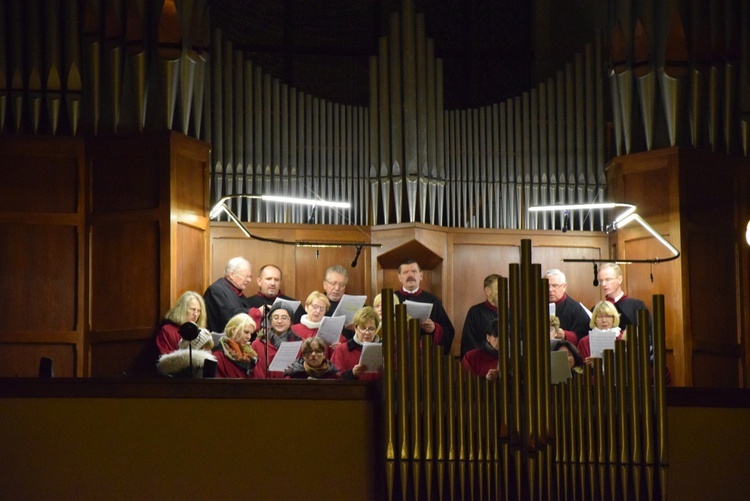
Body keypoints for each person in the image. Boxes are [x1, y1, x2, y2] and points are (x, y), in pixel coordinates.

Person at [394, 258, 455, 354]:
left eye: (414, 271)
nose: (410, 275)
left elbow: (449, 330)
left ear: (421, 275)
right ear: (399, 277)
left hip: (426, 356)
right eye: (405, 272)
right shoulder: (391, 299)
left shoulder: (433, 300)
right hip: (399, 355)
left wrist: (435, 328)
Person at [203, 257, 254, 333]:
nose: (249, 280)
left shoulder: (238, 293)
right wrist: (255, 312)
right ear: (232, 275)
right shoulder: (216, 290)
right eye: (246, 276)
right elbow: (228, 317)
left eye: (250, 277)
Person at [251, 303, 302, 378]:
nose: (279, 321)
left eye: (284, 318)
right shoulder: (257, 344)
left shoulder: (300, 344)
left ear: (290, 321)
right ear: (270, 320)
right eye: (275, 317)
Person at [597, 262, 651, 333]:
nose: (604, 284)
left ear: (619, 279)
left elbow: (648, 334)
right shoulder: (597, 309)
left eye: (608, 279)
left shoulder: (637, 307)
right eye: (601, 281)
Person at [331, 306, 382, 381]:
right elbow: (334, 377)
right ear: (355, 328)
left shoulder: (385, 349)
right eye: (363, 328)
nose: (367, 332)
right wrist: (352, 373)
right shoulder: (342, 350)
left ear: (376, 329)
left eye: (371, 329)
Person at [545, 269, 591, 345]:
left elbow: (584, 335)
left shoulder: (576, 309)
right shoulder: (535, 307)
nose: (550, 290)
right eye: (547, 285)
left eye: (555, 286)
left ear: (564, 287)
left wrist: (564, 335)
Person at [460, 274, 501, 358]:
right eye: (499, 288)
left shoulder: (511, 313)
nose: (503, 292)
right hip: (483, 363)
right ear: (487, 291)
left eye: (505, 289)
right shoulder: (475, 312)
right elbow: (469, 343)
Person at [155, 291, 207, 355]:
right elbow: (167, 360)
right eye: (193, 309)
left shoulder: (200, 332)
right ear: (182, 309)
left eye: (199, 311)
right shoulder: (167, 330)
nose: (196, 314)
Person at [214, 313, 259, 378]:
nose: (249, 337)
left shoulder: (252, 357)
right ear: (233, 330)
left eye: (250, 333)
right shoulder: (218, 356)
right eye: (246, 332)